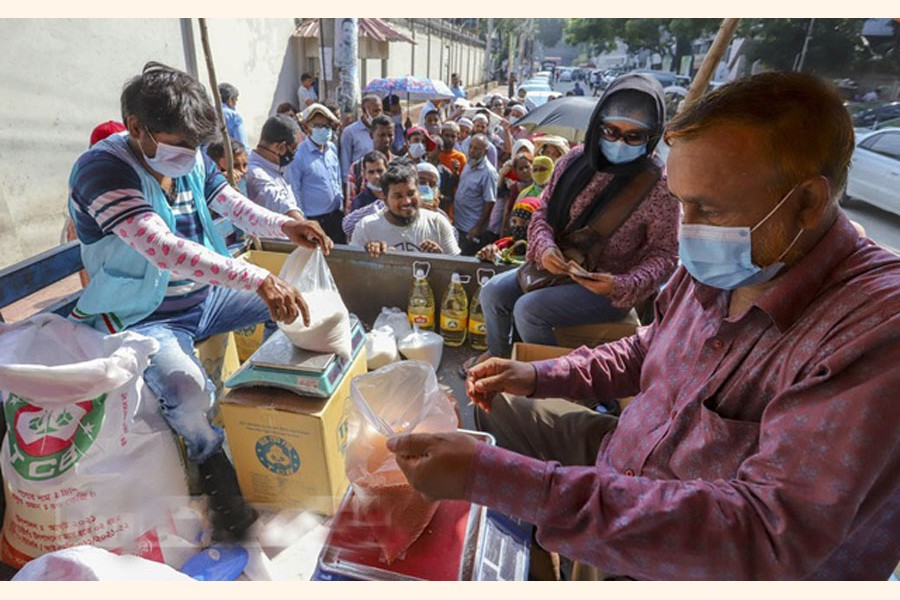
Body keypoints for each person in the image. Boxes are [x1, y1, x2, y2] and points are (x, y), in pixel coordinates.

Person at [387, 70, 900, 581]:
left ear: (806, 203)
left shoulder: (874, 328)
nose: (686, 228)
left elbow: (765, 534)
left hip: (692, 548)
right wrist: (539, 376)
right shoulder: (727, 261)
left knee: (494, 457)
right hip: (627, 448)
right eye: (681, 202)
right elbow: (649, 347)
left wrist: (510, 483)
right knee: (498, 404)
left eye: (707, 209)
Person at [66, 62, 332, 542]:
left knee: (301, 305)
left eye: (195, 145)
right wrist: (258, 278)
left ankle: (276, 408)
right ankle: (214, 469)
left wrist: (283, 225)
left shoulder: (188, 157)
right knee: (187, 393)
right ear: (136, 128)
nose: (189, 156)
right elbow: (163, 248)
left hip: (206, 298)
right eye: (179, 144)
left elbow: (230, 202)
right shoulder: (101, 170)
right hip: (143, 314)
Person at [474, 73, 679, 360]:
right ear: (598, 125)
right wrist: (545, 249)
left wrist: (622, 284)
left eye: (633, 136)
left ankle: (554, 378)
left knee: (529, 310)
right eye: (611, 131)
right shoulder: (574, 160)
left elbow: (666, 254)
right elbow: (543, 212)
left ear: (652, 136)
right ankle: (500, 359)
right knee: (493, 292)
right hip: (558, 268)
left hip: (607, 286)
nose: (619, 143)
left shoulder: (659, 186)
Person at [350, 163, 459, 257]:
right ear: (385, 198)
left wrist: (440, 259)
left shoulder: (438, 223)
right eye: (398, 196)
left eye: (411, 194)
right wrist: (372, 257)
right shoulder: (366, 228)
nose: (407, 201)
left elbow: (456, 268)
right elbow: (353, 268)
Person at [286, 103, 346, 243]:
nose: (323, 130)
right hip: (314, 221)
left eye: (326, 126)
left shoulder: (331, 148)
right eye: (318, 126)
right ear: (307, 127)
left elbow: (337, 178)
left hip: (336, 217)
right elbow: (293, 191)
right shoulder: (298, 155)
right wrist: (302, 223)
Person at [245, 114, 304, 221]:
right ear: (281, 147)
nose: (294, 153)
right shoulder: (256, 174)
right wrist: (305, 225)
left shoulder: (273, 167)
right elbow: (280, 204)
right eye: (293, 149)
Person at [454, 134, 499, 256]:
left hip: (470, 227)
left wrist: (477, 228)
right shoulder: (468, 164)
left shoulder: (488, 172)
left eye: (477, 148)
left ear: (485, 151)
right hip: (459, 223)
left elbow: (490, 202)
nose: (472, 151)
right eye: (471, 147)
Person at [345, 115, 395, 209]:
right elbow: (350, 205)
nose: (386, 139)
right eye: (382, 135)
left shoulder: (399, 165)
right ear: (371, 135)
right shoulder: (357, 167)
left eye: (390, 135)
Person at [476, 196, 540, 265]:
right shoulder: (504, 245)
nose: (517, 227)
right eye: (514, 221)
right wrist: (488, 253)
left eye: (524, 223)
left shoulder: (542, 252)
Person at [339, 94, 383, 186]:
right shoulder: (350, 132)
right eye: (375, 111)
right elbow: (345, 162)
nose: (378, 114)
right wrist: (348, 185)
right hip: (359, 183)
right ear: (364, 110)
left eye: (380, 110)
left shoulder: (383, 130)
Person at [218, 83, 248, 148]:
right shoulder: (234, 117)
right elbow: (242, 145)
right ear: (230, 100)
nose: (235, 104)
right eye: (235, 100)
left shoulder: (208, 112)